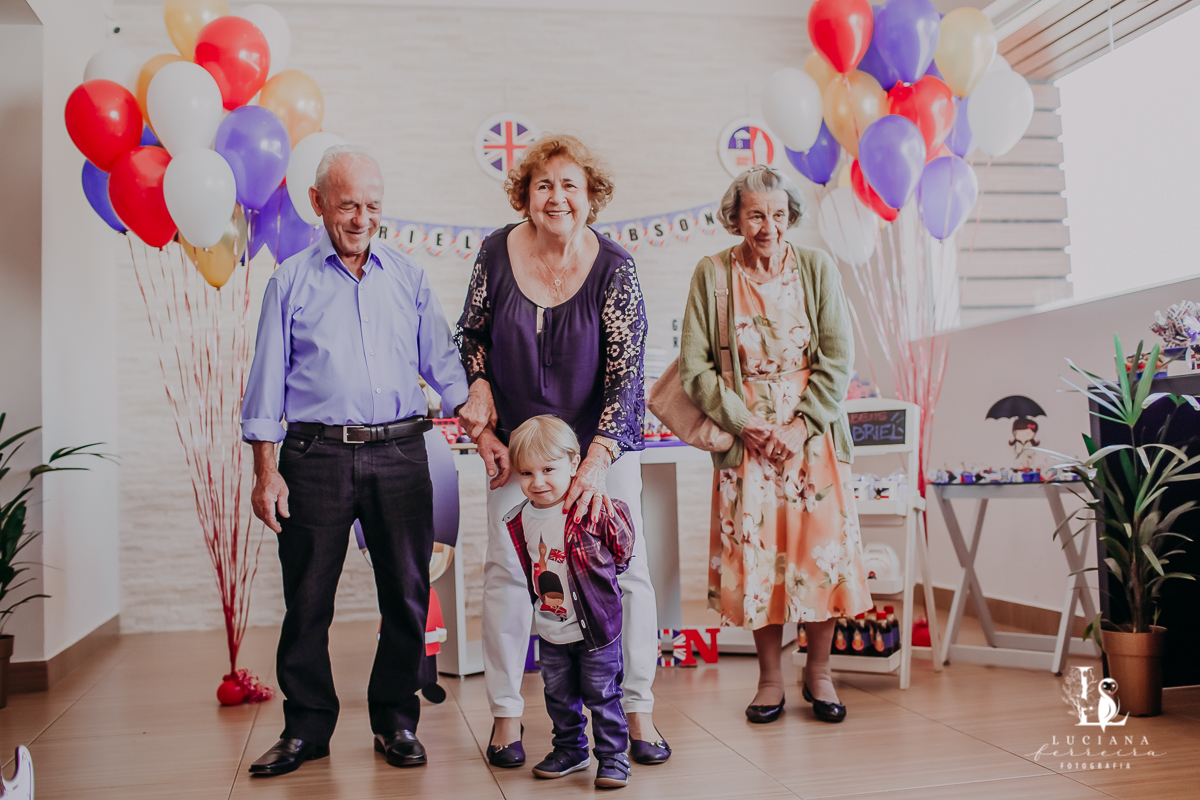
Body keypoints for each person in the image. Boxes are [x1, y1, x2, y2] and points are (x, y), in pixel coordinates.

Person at [241, 144, 469, 776]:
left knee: (406, 592)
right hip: (314, 455)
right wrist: (266, 471)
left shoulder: (408, 276)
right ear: (318, 205)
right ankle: (307, 728)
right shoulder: (289, 281)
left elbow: (445, 367)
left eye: (372, 206)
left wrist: (483, 420)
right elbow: (265, 385)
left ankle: (395, 719)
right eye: (348, 206)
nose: (362, 218)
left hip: (401, 450)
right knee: (307, 597)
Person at [456, 133, 669, 767]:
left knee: (623, 575)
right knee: (506, 575)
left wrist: (597, 461)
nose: (557, 197)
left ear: (590, 197)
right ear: (525, 195)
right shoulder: (495, 253)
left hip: (599, 448)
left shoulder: (615, 267)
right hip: (517, 455)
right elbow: (470, 335)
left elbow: (625, 375)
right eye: (544, 184)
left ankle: (638, 714)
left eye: (570, 185)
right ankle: (505, 719)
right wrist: (480, 397)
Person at [678, 164, 872, 725]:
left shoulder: (816, 267)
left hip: (811, 438)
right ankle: (769, 680)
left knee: (820, 554)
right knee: (758, 557)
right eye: (756, 214)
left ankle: (820, 673)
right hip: (747, 441)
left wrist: (798, 423)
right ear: (735, 217)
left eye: (778, 214)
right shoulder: (711, 274)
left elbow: (838, 358)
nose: (769, 226)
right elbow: (696, 368)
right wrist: (747, 424)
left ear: (790, 216)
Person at [506, 415, 635, 789]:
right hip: (550, 628)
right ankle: (570, 749)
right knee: (558, 696)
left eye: (548, 469)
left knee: (603, 694)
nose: (538, 481)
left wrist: (603, 583)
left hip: (596, 626)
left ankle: (613, 757)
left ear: (574, 464)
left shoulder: (591, 507)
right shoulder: (522, 518)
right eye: (527, 473)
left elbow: (622, 549)